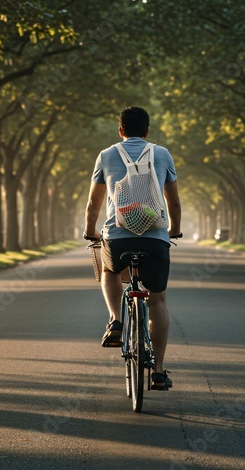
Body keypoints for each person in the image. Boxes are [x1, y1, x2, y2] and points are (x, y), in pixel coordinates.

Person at [84, 107, 181, 391]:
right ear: (147, 131)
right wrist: (173, 230)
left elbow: (94, 205)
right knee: (158, 301)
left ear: (120, 131)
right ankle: (159, 372)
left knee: (109, 269)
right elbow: (173, 202)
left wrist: (91, 231)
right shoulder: (162, 154)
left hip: (117, 236)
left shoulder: (106, 155)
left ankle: (115, 319)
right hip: (155, 237)